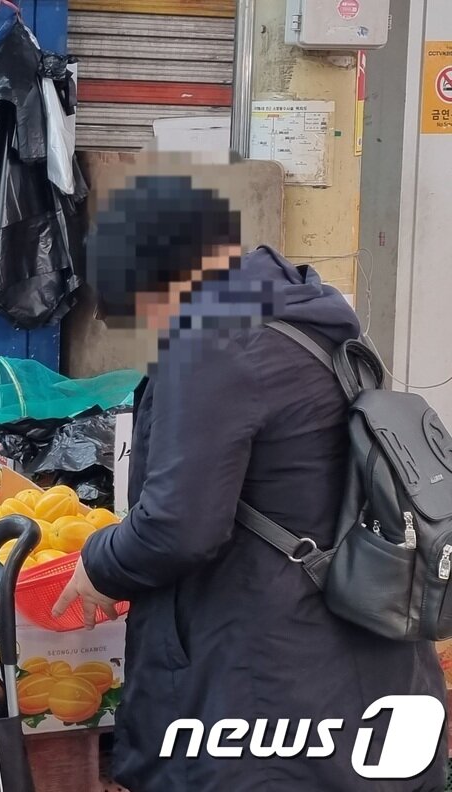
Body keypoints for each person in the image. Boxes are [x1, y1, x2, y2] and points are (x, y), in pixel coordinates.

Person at [53, 176, 445, 791]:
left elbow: (178, 527)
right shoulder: (305, 315)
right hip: (351, 653)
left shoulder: (213, 341)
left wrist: (100, 563)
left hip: (267, 679)